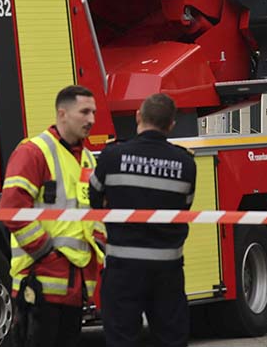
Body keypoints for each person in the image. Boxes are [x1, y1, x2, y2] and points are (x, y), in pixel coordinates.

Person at [0, 85, 105, 347]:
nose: (91, 119)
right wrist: (44, 251)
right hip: (39, 284)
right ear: (63, 114)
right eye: (84, 112)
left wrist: (100, 251)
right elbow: (12, 209)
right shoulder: (33, 152)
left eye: (93, 112)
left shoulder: (89, 160)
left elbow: (95, 214)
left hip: (75, 286)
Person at [90, 93, 197, 347]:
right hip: (167, 272)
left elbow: (94, 201)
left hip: (123, 269)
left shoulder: (112, 156)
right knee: (171, 339)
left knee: (122, 339)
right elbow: (185, 205)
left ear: (138, 116)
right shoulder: (185, 163)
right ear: (172, 124)